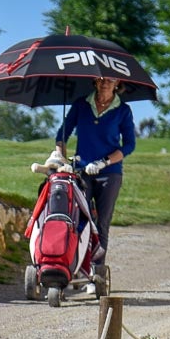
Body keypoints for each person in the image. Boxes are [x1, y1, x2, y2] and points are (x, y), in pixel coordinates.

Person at [54, 76, 136, 289]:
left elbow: (129, 145)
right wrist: (62, 159)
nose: (104, 83)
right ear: (94, 82)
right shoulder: (82, 104)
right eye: (100, 79)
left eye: (109, 80)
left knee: (101, 225)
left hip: (109, 173)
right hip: (81, 172)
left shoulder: (123, 110)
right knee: (79, 221)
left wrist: (104, 162)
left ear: (117, 83)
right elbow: (61, 134)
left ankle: (95, 274)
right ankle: (77, 270)